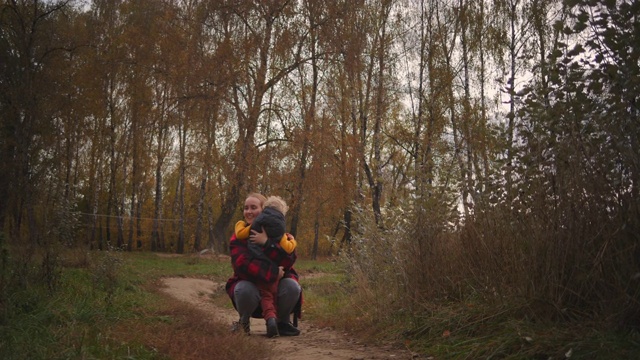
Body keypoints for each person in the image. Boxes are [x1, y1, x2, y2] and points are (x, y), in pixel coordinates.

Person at [226, 193, 302, 337]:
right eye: (246, 208)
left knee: (292, 286)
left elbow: (289, 260)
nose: (249, 212)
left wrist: (267, 243)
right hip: (252, 287)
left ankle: (283, 323)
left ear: (264, 210)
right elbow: (242, 265)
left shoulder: (280, 234)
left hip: (276, 289)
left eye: (253, 207)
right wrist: (273, 272)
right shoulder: (239, 237)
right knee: (243, 289)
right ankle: (244, 322)